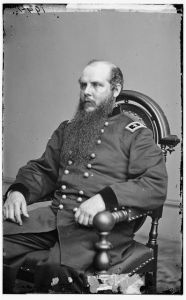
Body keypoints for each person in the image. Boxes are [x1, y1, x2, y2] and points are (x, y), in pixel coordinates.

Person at [3, 60, 168, 293]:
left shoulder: (135, 134)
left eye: (96, 85)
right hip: (55, 218)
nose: (86, 92)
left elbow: (155, 184)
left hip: (101, 229)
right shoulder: (68, 128)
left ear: (116, 89)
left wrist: (104, 199)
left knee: (57, 270)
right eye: (83, 85)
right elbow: (43, 170)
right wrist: (18, 190)